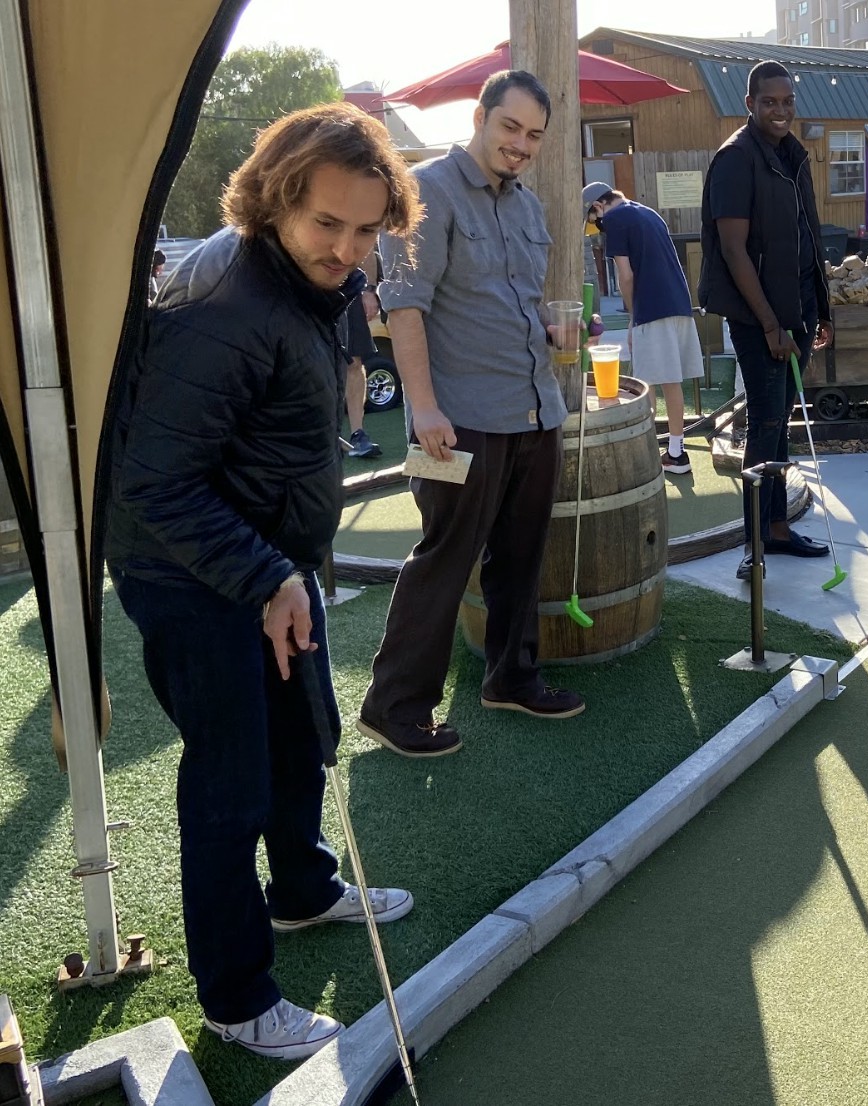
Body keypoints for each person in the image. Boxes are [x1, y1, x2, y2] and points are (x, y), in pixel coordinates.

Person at [105, 103, 422, 1059]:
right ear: (277, 199)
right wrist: (264, 575)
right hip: (195, 576)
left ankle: (302, 891)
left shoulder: (309, 285)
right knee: (229, 785)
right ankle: (236, 1000)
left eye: (367, 227)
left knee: (297, 739)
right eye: (328, 223)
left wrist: (283, 568)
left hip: (267, 564)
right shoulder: (225, 307)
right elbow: (152, 482)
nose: (349, 247)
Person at [358, 69, 584, 758]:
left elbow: (517, 300)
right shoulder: (426, 192)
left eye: (533, 136)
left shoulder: (527, 206)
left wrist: (553, 331)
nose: (520, 145)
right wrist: (422, 408)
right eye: (510, 127)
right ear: (482, 117)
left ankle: (511, 677)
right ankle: (393, 707)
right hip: (459, 424)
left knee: (521, 556)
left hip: (532, 410)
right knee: (445, 560)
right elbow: (405, 307)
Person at [699, 60, 834, 582]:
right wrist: (772, 326)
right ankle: (754, 542)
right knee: (766, 422)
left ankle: (777, 528)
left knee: (781, 423)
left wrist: (819, 309)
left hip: (795, 311)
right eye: (769, 101)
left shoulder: (790, 155)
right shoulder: (736, 159)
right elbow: (733, 251)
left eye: (787, 101)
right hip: (760, 320)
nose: (780, 110)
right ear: (750, 103)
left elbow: (806, 236)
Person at [583, 184, 704, 474]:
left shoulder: (615, 220)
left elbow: (626, 276)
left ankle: (651, 452)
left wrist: (633, 315)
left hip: (651, 308)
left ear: (598, 207)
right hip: (679, 304)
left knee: (646, 382)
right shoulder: (649, 214)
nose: (597, 228)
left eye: (593, 220)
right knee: (671, 382)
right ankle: (676, 451)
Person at [340, 249, 383, 458]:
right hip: (305, 287)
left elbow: (367, 250)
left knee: (354, 363)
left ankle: (358, 434)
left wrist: (368, 290)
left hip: (346, 288)